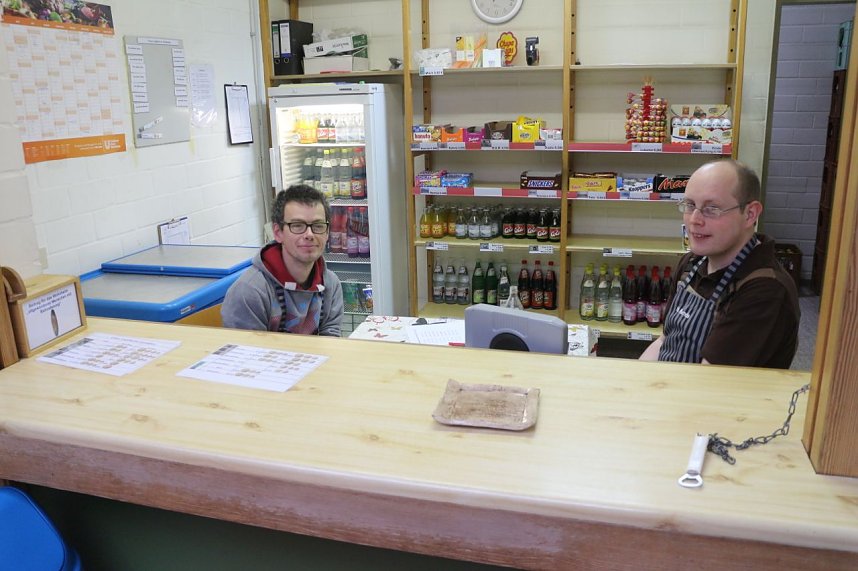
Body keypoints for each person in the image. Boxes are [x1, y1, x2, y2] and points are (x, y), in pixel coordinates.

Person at [639, 159, 799, 368]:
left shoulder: (765, 290)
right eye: (690, 205)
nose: (694, 220)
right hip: (671, 387)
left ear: (750, 214)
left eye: (711, 208)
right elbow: (664, 341)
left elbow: (710, 381)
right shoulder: (691, 264)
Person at [222, 184, 343, 336]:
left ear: (327, 233)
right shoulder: (250, 291)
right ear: (278, 233)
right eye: (297, 226)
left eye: (318, 226)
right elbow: (247, 355)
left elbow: (330, 341)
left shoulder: (331, 283)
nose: (309, 234)